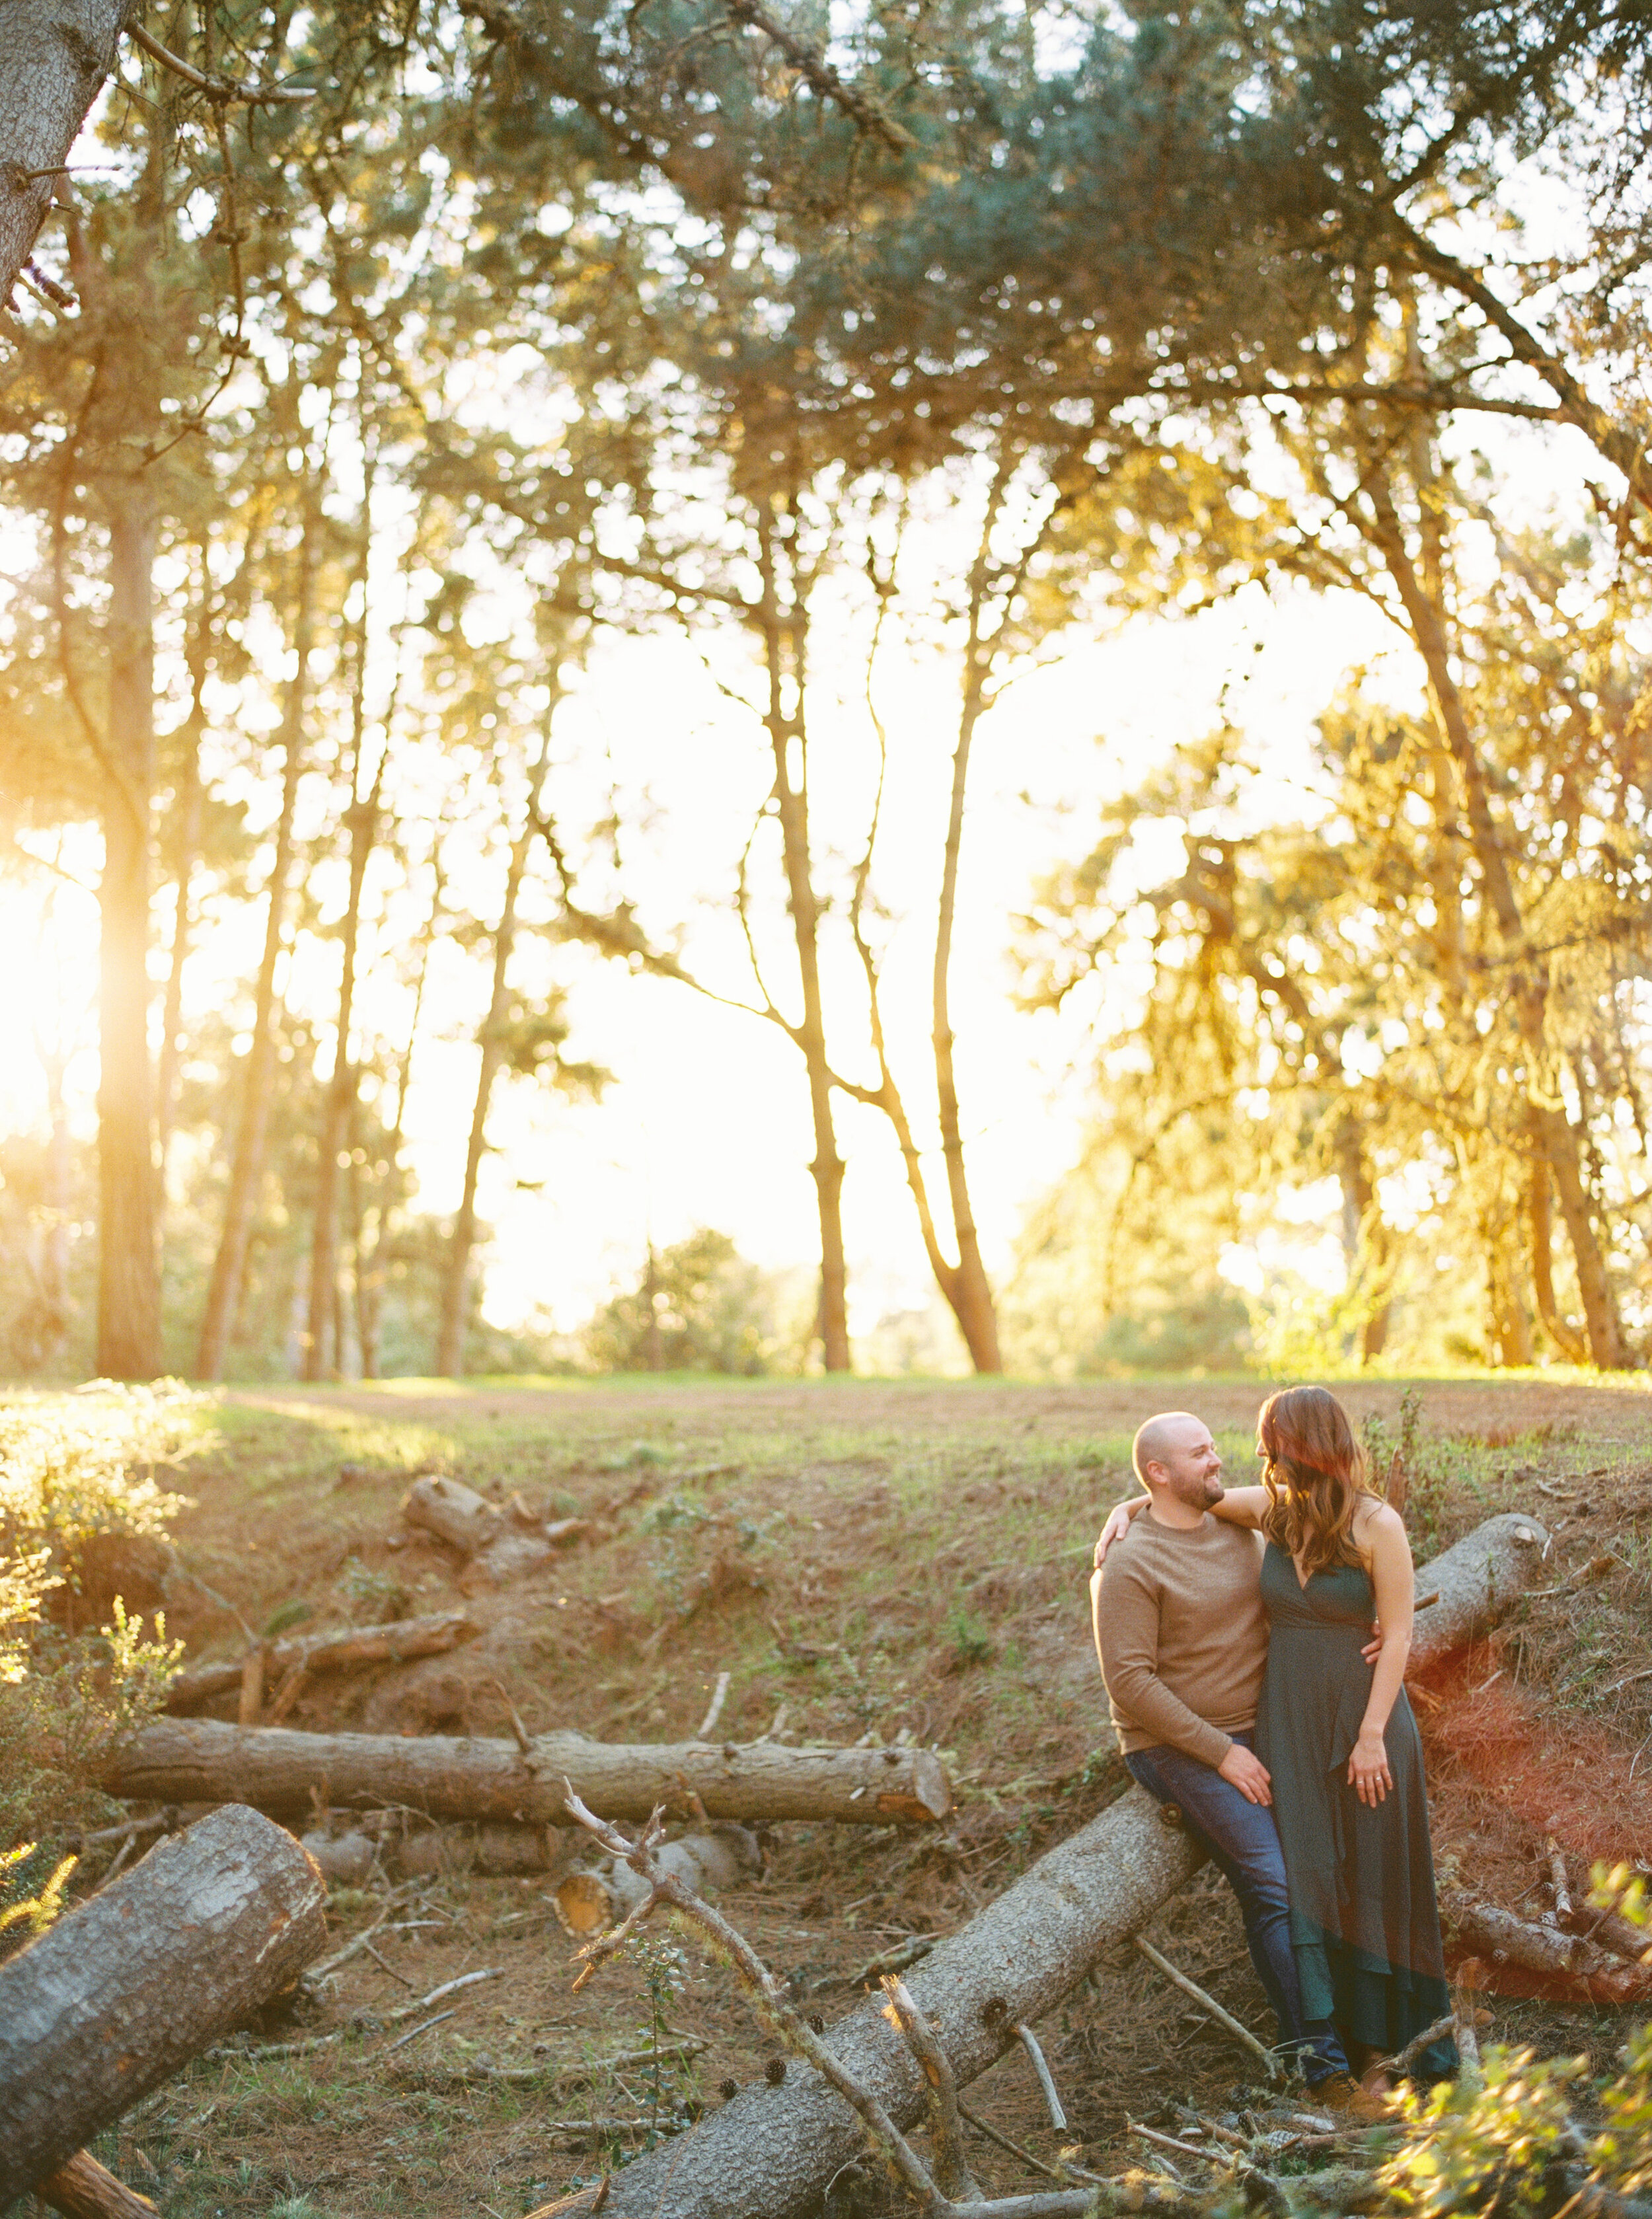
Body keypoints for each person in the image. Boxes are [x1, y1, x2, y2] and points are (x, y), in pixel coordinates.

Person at [1094, 1389, 1455, 2093]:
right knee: (1312, 1878)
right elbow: (1187, 1497)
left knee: (1374, 1882)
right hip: (1286, 1724)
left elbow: (1401, 1632)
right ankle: (1338, 2055)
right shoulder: (1273, 1512)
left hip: (1364, 1724)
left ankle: (1390, 2055)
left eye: (1269, 1443)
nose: (1254, 1455)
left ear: (1305, 1445)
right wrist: (1128, 1506)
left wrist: (1373, 1734)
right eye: (1253, 1445)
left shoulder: (1377, 1523)